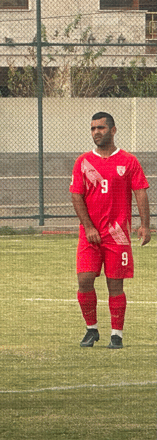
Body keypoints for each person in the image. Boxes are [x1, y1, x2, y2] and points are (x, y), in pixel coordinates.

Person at [70, 111, 150, 349]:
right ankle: (91, 329)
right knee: (84, 280)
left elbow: (141, 193)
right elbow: (76, 196)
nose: (96, 132)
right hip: (90, 234)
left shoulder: (129, 161)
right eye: (93, 128)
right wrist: (88, 226)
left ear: (113, 130)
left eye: (101, 128)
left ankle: (117, 334)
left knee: (115, 285)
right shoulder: (83, 161)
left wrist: (145, 224)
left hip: (118, 234)